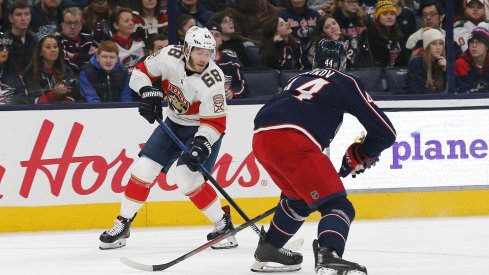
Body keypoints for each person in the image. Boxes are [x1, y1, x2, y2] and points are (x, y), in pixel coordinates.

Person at [250, 38, 396, 274]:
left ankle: (269, 249)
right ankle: (329, 255)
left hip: (261, 138)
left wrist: (354, 157)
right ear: (343, 62)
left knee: (298, 200)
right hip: (293, 139)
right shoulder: (345, 80)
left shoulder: (297, 79)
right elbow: (386, 133)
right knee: (338, 205)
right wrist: (359, 154)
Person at [99, 26, 238, 250]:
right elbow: (139, 72)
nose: (204, 58)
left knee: (186, 177)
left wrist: (201, 144)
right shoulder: (168, 55)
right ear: (187, 49)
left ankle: (223, 225)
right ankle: (123, 222)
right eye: (199, 52)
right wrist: (147, 91)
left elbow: (215, 123)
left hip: (202, 128)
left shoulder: (213, 80)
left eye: (208, 52)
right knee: (143, 168)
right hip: (173, 122)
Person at [23, 34, 79, 104]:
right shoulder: (31, 73)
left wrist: (64, 105)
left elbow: (74, 94)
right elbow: (35, 100)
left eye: (55, 47)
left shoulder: (67, 70)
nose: (53, 50)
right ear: (40, 52)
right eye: (48, 47)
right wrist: (54, 94)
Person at [354, 0, 408, 68]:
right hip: (375, 74)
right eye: (385, 14)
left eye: (392, 14)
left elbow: (404, 60)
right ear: (378, 17)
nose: (389, 17)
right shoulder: (369, 34)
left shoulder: (399, 34)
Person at [207, 22, 248, 99]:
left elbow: (243, 86)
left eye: (217, 35)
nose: (213, 37)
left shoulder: (232, 61)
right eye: (210, 34)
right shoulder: (194, 62)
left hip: (228, 105)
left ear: (221, 41)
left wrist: (233, 92)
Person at [406, 27, 446, 93]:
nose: (438, 47)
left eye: (441, 44)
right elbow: (418, 91)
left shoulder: (443, 62)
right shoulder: (416, 63)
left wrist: (446, 69)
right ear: (427, 46)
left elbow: (454, 89)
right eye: (434, 44)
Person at [59, 7, 97, 75]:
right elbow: (70, 67)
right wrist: (87, 56)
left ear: (80, 26)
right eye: (68, 23)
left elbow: (98, 59)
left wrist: (73, 56)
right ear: (62, 25)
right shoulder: (57, 41)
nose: (72, 27)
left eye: (76, 23)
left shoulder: (88, 39)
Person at [6, 0, 38, 73]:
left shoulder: (35, 39)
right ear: (11, 18)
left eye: (26, 14)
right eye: (18, 14)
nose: (23, 18)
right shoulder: (4, 42)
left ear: (30, 18)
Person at [455, 26, 489, 93]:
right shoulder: (460, 64)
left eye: (478, 42)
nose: (474, 45)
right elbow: (466, 90)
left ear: (487, 46)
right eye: (471, 42)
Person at [111, 8, 145, 72]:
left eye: (132, 20)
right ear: (116, 25)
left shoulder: (139, 43)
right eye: (126, 21)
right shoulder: (109, 46)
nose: (131, 23)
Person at [0, 32, 28, 104]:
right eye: (1, 47)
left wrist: (6, 101)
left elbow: (23, 98)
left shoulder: (14, 71)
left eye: (7, 47)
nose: (5, 50)